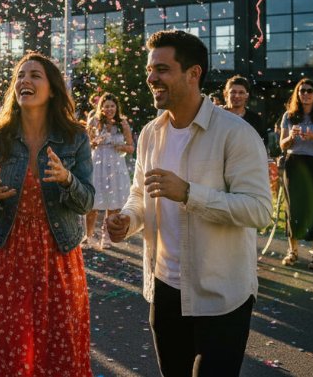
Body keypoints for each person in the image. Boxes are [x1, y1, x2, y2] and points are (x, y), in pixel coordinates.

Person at [107, 30, 271, 377]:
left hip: (220, 292)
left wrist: (188, 193)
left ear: (193, 73)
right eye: (150, 70)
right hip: (165, 287)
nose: (151, 78)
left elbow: (259, 210)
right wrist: (127, 219)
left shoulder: (236, 133)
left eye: (162, 69)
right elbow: (140, 193)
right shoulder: (150, 133)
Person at [0, 53, 95, 376]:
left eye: (35, 75)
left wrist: (67, 180)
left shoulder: (75, 137)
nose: (25, 80)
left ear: (52, 89)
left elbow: (87, 202)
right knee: (6, 349)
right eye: (20, 76)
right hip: (6, 254)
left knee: (60, 348)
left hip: (58, 254)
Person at [278, 78, 313, 269]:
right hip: (294, 162)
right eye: (302, 91)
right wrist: (291, 137)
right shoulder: (289, 115)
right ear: (297, 94)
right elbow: (282, 145)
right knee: (293, 207)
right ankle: (292, 251)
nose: (306, 94)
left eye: (310, 90)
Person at [85, 93, 133, 250]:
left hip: (115, 165)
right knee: (92, 202)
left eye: (112, 106)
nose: (110, 109)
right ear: (101, 108)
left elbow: (131, 147)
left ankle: (106, 237)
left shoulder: (122, 123)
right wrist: (94, 142)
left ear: (116, 108)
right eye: (106, 106)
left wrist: (120, 146)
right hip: (98, 165)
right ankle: (88, 235)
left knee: (113, 202)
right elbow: (87, 145)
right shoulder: (95, 122)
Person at [224, 75, 266, 143]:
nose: (237, 96)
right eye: (233, 92)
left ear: (247, 95)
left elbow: (261, 144)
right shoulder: (218, 116)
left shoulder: (255, 120)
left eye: (241, 92)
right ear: (226, 94)